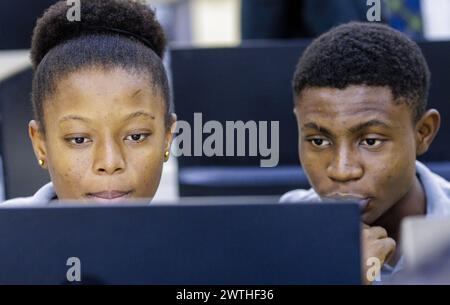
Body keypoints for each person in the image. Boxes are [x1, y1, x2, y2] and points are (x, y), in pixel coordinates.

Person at [280, 22, 450, 284]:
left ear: (422, 133)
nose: (342, 170)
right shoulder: (287, 224)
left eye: (370, 141)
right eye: (318, 141)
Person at [2, 0, 176, 205]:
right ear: (40, 144)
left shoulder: (200, 235)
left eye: (136, 136)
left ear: (167, 137)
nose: (110, 163)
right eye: (78, 139)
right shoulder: (8, 232)